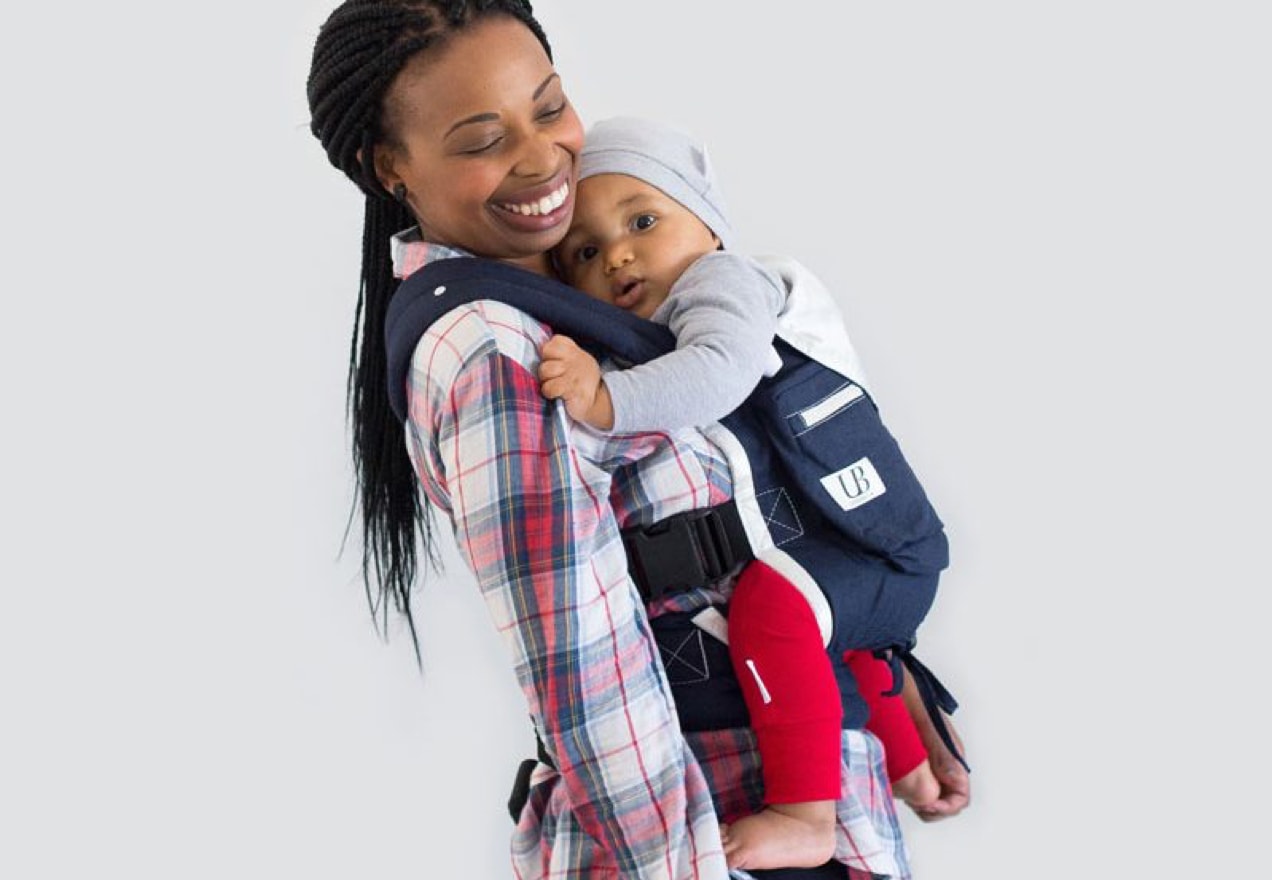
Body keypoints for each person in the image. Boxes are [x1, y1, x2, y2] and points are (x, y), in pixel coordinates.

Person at [305, 2, 970, 878]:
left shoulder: (594, 300)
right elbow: (581, 665)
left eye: (548, 107)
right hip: (709, 827)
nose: (543, 158)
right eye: (480, 139)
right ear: (390, 167)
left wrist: (867, 664)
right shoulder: (493, 352)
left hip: (794, 795)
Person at [539, 117, 952, 870]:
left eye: (642, 220)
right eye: (586, 253)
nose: (619, 254)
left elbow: (722, 372)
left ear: (710, 221)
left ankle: (805, 814)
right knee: (831, 642)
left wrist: (603, 398)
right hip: (848, 556)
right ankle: (911, 772)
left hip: (883, 548)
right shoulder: (668, 319)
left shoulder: (727, 283)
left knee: (772, 606)